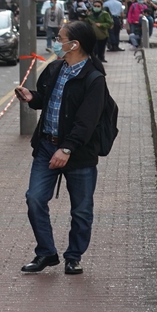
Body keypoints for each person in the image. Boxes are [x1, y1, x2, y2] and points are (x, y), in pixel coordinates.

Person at [14, 20, 107, 275]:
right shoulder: (55, 68)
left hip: (79, 153)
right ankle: (46, 253)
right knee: (34, 198)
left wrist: (66, 149)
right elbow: (47, 99)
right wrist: (33, 98)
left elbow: (86, 122)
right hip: (46, 146)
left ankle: (74, 256)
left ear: (74, 44)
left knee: (81, 209)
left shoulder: (94, 78)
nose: (56, 41)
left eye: (60, 37)